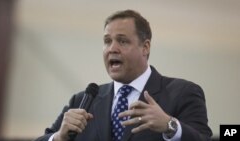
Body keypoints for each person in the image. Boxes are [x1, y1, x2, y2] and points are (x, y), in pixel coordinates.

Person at [35, 9, 212, 141]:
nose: (112, 48)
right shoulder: (82, 101)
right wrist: (58, 137)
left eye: (122, 41)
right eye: (107, 41)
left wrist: (170, 126)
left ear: (145, 47)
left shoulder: (182, 93)